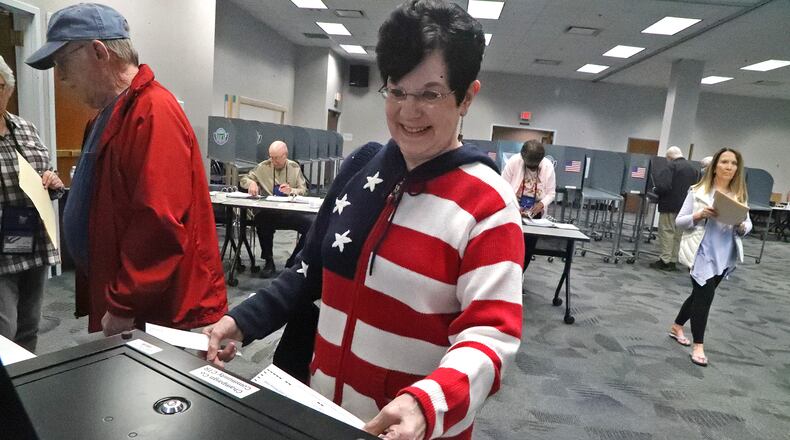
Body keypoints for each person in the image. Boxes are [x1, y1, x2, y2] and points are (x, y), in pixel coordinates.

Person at [204, 1, 524, 439]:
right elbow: (307, 268)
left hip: (407, 428)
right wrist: (242, 321)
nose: (408, 111)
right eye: (396, 91)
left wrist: (426, 402)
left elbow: (492, 336)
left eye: (430, 94)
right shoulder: (362, 168)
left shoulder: (488, 203)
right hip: (321, 411)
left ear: (468, 96)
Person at [26, 3, 227, 335]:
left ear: (99, 52)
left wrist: (124, 303)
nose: (60, 78)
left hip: (154, 310)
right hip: (128, 298)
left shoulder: (153, 113)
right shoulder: (106, 117)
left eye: (63, 64)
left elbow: (158, 222)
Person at [0, 56, 65, 351]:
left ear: (9, 89)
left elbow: (46, 169)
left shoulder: (25, 128)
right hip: (2, 246)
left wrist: (52, 181)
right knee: (4, 327)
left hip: (33, 237)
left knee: (29, 324)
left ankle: (25, 382)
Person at [669, 147, 751, 367]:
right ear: (715, 166)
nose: (729, 167)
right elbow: (680, 221)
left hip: (724, 255)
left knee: (699, 296)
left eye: (733, 163)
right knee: (705, 298)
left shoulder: (739, 194)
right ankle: (698, 345)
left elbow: (748, 223)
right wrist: (699, 214)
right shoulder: (697, 191)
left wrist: (742, 225)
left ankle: (677, 326)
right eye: (724, 162)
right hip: (701, 252)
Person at [240, 140, 312, 277]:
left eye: (277, 158)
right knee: (261, 219)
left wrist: (292, 190)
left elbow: (304, 190)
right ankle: (268, 261)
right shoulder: (262, 167)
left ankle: (293, 261)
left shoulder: (294, 167)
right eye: (271, 157)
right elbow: (244, 179)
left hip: (291, 212)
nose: (273, 161)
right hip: (271, 212)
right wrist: (252, 183)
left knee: (312, 225)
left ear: (285, 155)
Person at [501, 139, 556, 269]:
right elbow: (502, 186)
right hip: (513, 208)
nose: (532, 168)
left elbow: (551, 193)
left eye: (535, 166)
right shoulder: (514, 162)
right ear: (523, 157)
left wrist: (541, 204)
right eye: (529, 165)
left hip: (534, 213)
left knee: (528, 247)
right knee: (510, 246)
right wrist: (515, 204)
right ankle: (507, 275)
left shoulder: (548, 167)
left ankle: (520, 274)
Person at [650, 146, 698, 271]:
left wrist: (656, 190)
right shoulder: (693, 168)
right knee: (678, 235)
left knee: (666, 232)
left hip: (669, 205)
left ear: (669, 157)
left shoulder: (670, 166)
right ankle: (673, 261)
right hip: (685, 208)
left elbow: (664, 186)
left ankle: (664, 260)